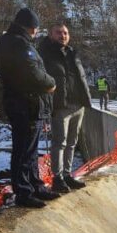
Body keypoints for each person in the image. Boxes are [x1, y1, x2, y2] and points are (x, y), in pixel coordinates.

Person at [0, 8, 60, 208]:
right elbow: (34, 73)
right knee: (24, 150)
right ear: (31, 27)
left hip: (23, 103)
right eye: (35, 28)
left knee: (29, 149)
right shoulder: (19, 44)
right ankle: (24, 191)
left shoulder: (9, 42)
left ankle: (35, 185)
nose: (36, 32)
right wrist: (51, 82)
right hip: (26, 104)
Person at [38, 23, 92, 193]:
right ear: (50, 34)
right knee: (59, 143)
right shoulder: (45, 54)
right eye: (59, 32)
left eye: (65, 32)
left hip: (78, 105)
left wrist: (86, 99)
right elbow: (41, 81)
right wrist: (46, 106)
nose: (63, 35)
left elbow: (80, 78)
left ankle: (68, 175)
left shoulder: (72, 53)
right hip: (60, 106)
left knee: (72, 143)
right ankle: (57, 178)